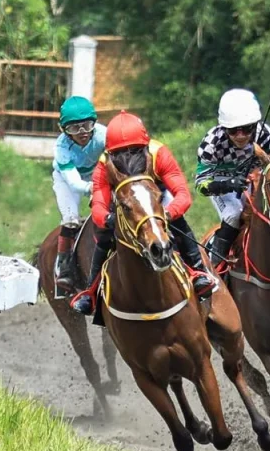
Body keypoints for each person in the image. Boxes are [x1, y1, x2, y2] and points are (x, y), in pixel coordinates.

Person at [70, 111, 214, 315]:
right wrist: (107, 219)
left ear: (145, 146)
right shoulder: (104, 164)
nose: (128, 157)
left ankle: (198, 272)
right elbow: (99, 205)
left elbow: (182, 194)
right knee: (102, 236)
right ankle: (91, 292)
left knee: (179, 223)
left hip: (158, 200)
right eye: (120, 154)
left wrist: (168, 213)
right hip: (125, 204)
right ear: (111, 153)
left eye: (135, 150)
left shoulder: (159, 153)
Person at [195, 88, 270, 265]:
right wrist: (228, 184)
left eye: (247, 129)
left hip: (256, 180)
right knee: (233, 213)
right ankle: (217, 265)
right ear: (224, 127)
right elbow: (201, 184)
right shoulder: (211, 143)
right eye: (233, 130)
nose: (240, 136)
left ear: (255, 124)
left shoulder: (267, 134)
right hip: (222, 186)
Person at [52, 96, 106, 292]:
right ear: (64, 130)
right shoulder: (61, 147)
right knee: (70, 219)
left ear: (95, 123)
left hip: (96, 172)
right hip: (68, 179)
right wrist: (91, 188)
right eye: (74, 128)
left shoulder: (104, 135)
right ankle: (64, 269)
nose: (82, 133)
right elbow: (74, 182)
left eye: (87, 125)